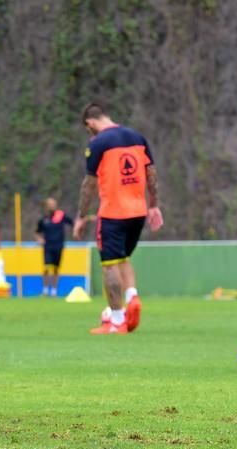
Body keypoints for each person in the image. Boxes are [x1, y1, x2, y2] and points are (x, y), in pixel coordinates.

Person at [73, 103, 163, 334]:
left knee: (109, 265)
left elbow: (89, 184)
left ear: (90, 123)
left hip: (113, 213)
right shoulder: (137, 137)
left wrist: (81, 216)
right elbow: (151, 174)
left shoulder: (98, 143)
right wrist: (153, 206)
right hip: (138, 212)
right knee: (122, 258)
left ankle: (116, 320)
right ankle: (132, 297)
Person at [35, 198, 73, 296]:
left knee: (56, 268)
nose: (52, 206)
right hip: (47, 246)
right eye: (50, 204)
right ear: (46, 206)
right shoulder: (43, 219)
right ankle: (45, 289)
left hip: (59, 246)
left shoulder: (61, 215)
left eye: (53, 204)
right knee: (46, 267)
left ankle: (54, 290)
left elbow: (72, 223)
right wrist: (39, 239)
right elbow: (37, 232)